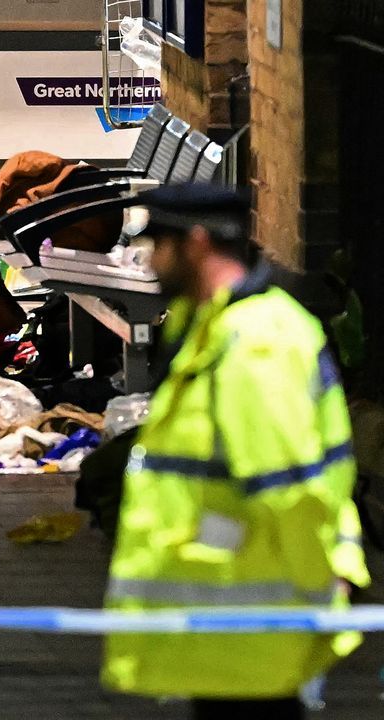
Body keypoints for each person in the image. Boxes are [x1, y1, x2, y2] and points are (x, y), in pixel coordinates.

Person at [102, 185, 370, 720]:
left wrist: (315, 597)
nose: (148, 258)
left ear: (196, 244)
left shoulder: (255, 345)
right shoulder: (208, 322)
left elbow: (288, 488)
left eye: (158, 243)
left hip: (254, 612)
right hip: (227, 612)